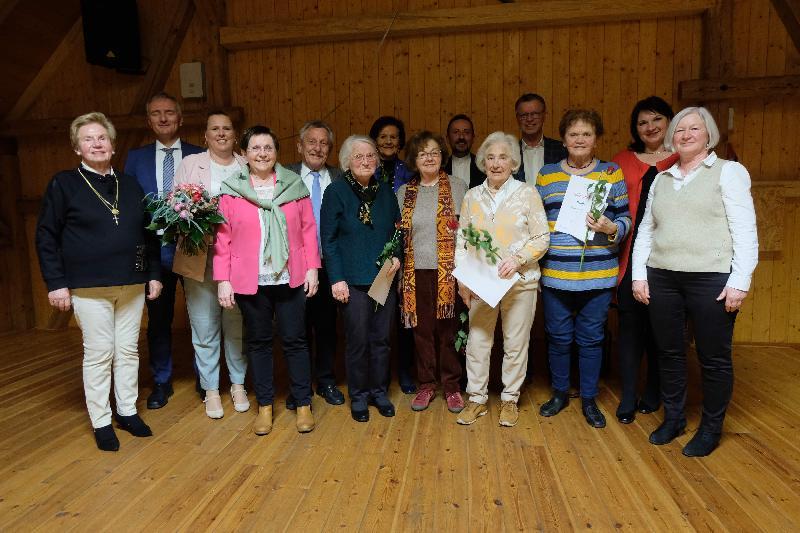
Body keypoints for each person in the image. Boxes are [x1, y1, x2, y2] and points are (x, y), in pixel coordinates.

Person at [632, 106, 758, 457]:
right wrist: (639, 275)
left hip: (711, 279)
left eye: (694, 129)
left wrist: (740, 280)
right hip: (663, 277)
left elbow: (745, 231)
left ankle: (710, 428)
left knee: (713, 357)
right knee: (669, 353)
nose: (686, 135)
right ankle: (673, 419)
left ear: (708, 135)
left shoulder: (728, 172)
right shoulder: (662, 178)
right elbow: (646, 230)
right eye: (680, 129)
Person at [36, 112, 162, 451]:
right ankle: (102, 420)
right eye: (88, 139)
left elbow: (148, 235)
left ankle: (126, 411)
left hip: (132, 283)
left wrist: (152, 274)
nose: (96, 143)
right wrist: (55, 283)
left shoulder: (130, 184)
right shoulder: (64, 183)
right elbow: (47, 235)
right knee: (99, 353)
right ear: (77, 148)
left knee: (128, 351)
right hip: (88, 286)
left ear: (112, 144)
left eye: (102, 137)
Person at [214, 126, 321, 435]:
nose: (262, 154)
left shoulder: (293, 185)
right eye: (255, 148)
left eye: (268, 148)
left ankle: (302, 403)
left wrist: (312, 268)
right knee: (259, 343)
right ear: (245, 153)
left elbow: (307, 230)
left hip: (290, 277)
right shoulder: (231, 190)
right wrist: (223, 280)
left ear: (277, 152)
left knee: (295, 340)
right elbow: (223, 240)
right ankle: (264, 406)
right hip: (250, 279)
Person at [536, 109, 631, 429]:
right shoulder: (547, 175)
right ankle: (561, 393)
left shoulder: (610, 173)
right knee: (558, 337)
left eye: (586, 134)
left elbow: (626, 218)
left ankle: (589, 398)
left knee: (591, 339)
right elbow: (535, 222)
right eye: (573, 134)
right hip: (556, 274)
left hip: (597, 273)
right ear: (563, 139)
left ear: (596, 139)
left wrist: (610, 226)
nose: (579, 140)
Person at [455, 131, 550, 427]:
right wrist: (463, 281)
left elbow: (542, 236)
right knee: (479, 342)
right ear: (483, 162)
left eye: (503, 157)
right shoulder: (472, 196)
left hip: (520, 282)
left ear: (513, 162)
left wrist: (518, 258)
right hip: (482, 284)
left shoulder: (527, 193)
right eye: (490, 157)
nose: (496, 163)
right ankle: (476, 399)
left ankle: (510, 400)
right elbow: (461, 241)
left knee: (515, 343)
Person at [124, 92, 203, 410]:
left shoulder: (199, 154)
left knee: (202, 318)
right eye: (156, 113)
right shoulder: (135, 158)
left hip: (192, 246)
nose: (163, 118)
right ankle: (161, 381)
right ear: (149, 121)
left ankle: (205, 379)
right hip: (154, 249)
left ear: (180, 118)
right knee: (158, 319)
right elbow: (131, 207)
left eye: (169, 112)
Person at [320, 135, 402, 422]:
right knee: (357, 340)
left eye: (370, 156)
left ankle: (379, 393)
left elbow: (397, 230)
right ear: (346, 162)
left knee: (381, 339)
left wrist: (398, 255)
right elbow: (328, 240)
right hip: (351, 281)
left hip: (383, 277)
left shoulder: (385, 192)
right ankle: (359, 396)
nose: (366, 161)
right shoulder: (336, 192)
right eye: (359, 157)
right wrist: (336, 279)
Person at [174, 111, 248, 419]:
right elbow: (175, 207)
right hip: (198, 258)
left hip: (239, 260)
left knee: (236, 325)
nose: (221, 133)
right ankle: (211, 390)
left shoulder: (247, 164)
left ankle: (239, 384)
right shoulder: (190, 165)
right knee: (204, 327)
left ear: (234, 134)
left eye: (226, 128)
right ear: (205, 136)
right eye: (214, 129)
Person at [611, 96, 678, 424]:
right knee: (631, 327)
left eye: (657, 120)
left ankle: (654, 389)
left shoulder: (684, 158)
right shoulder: (621, 160)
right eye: (642, 122)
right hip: (629, 255)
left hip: (669, 258)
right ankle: (627, 394)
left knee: (661, 328)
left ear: (669, 122)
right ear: (635, 129)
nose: (650, 127)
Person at [396, 131, 468, 413]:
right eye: (423, 153)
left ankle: (452, 387)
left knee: (450, 332)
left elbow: (468, 233)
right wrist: (401, 276)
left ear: (442, 157)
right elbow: (400, 238)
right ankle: (426, 385)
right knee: (422, 332)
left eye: (434, 152)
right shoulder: (404, 193)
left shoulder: (459, 187)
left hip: (450, 273)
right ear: (414, 159)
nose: (429, 158)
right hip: (416, 274)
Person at [285, 120, 345, 408]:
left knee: (326, 326)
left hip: (329, 264)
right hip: (294, 265)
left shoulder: (342, 177)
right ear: (299, 146)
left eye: (323, 143)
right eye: (311, 141)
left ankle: (326, 380)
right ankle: (300, 385)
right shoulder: (283, 176)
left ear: (330, 149)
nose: (317, 148)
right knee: (296, 327)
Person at [369, 116, 416, 394]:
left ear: (400, 142)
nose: (388, 141)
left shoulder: (409, 171)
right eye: (383, 136)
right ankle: (379, 376)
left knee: (404, 316)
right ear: (375, 140)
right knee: (378, 318)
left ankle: (406, 372)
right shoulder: (366, 168)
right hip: (375, 251)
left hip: (405, 250)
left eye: (393, 137)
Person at [513, 93, 567, 185]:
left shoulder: (562, 150)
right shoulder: (509, 152)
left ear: (544, 115)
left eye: (534, 114)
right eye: (524, 115)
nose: (529, 119)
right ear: (517, 118)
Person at [443, 114, 485, 189]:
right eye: (456, 132)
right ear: (447, 138)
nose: (461, 137)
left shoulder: (484, 167)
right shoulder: (440, 168)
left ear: (473, 138)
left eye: (466, 132)